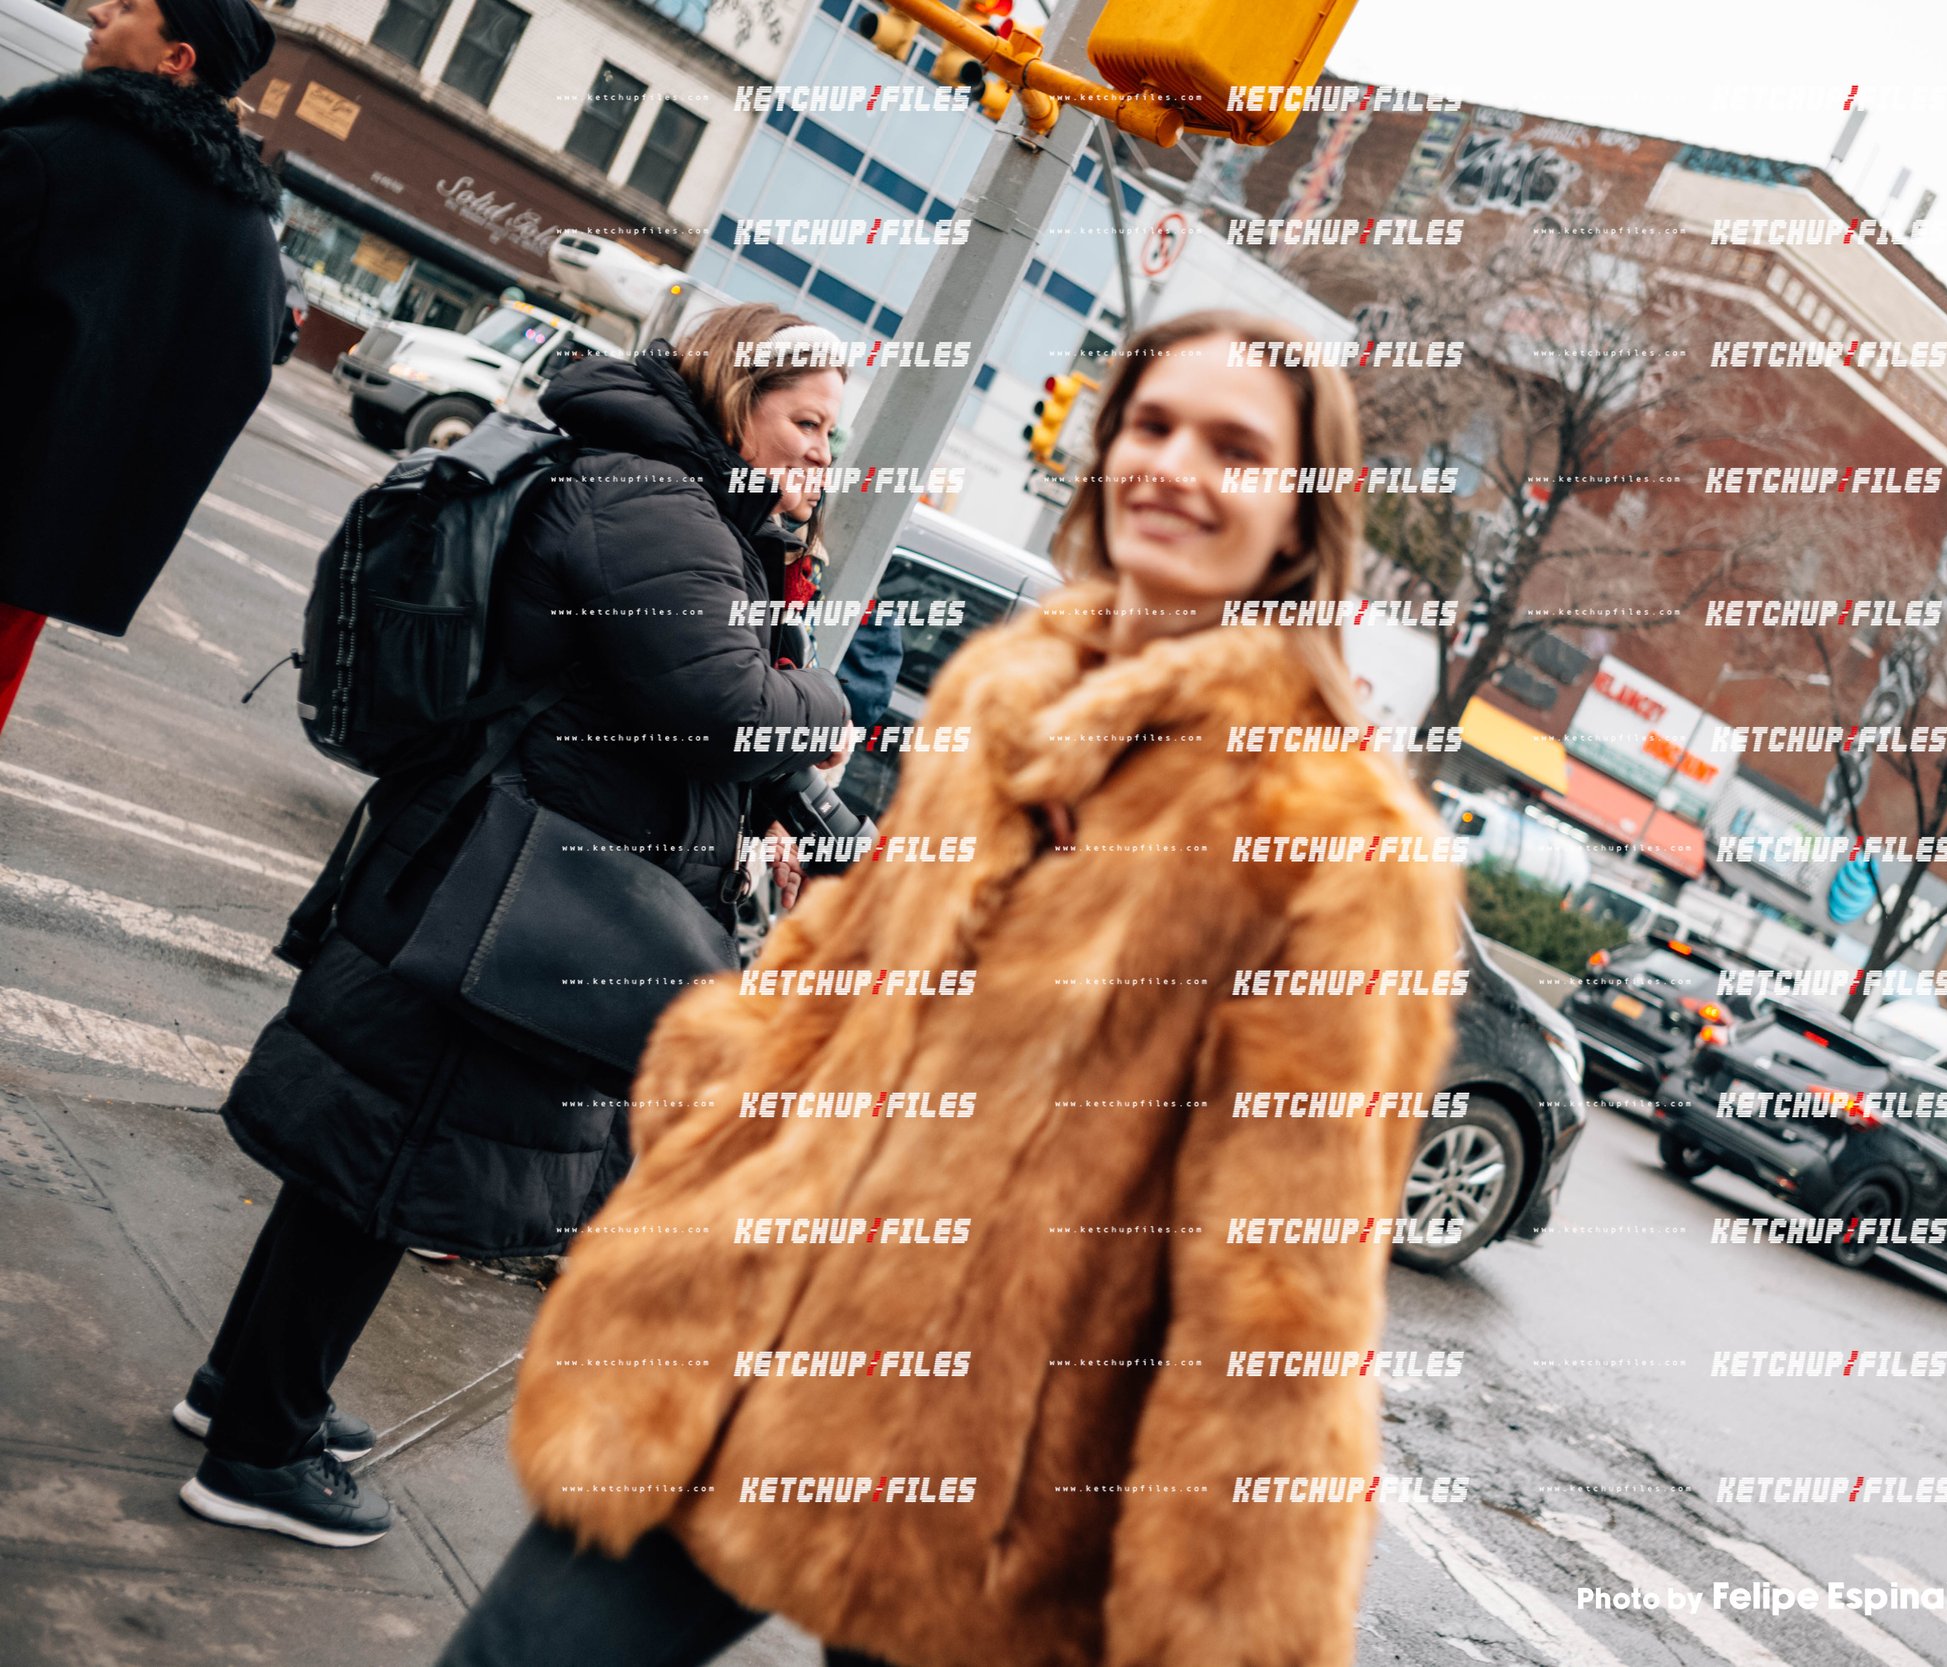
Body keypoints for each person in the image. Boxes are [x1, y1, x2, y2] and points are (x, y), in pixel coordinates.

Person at [434, 309, 1464, 1667]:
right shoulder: (1007, 688)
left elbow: (1286, 1267)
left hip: (993, 1478)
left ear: (1297, 516)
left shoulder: (1337, 835)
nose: (1174, 465)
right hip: (747, 1339)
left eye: (1234, 447)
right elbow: (845, 953)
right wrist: (722, 1100)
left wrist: (1225, 1599)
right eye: (1152, 425)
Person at [174, 303, 852, 1548]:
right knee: (381, 1161)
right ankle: (255, 1448)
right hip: (496, 889)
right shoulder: (652, 500)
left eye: (832, 434)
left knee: (367, 1154)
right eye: (806, 423)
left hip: (488, 874)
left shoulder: (674, 497)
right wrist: (831, 694)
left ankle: (249, 1386)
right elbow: (723, 698)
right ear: (731, 390)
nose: (822, 454)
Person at [0, 0, 285, 737]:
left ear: (176, 59)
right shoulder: (248, 233)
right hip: (35, 547)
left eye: (127, 6)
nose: (96, 9)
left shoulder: (49, 153)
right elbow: (230, 385)